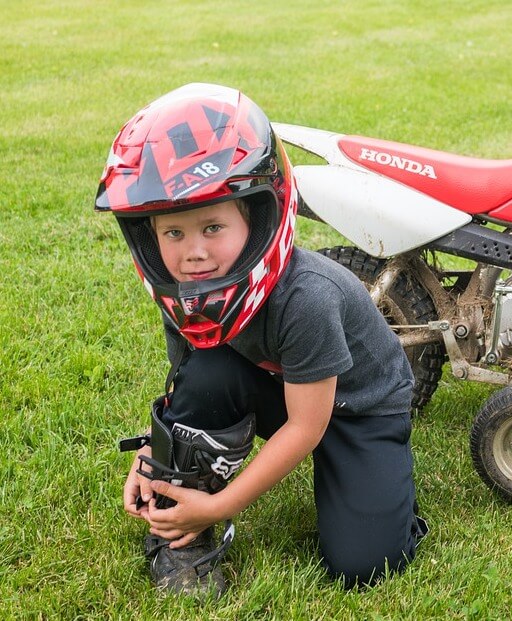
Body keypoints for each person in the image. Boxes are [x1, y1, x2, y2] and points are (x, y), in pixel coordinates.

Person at [95, 83, 426, 598]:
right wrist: (151, 454)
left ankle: (390, 498)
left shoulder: (307, 297)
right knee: (206, 371)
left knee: (366, 565)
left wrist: (224, 504)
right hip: (281, 388)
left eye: (212, 227)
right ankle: (185, 536)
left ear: (258, 216)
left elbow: (307, 427)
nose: (193, 253)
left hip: (358, 408)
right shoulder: (182, 293)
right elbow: (186, 391)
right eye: (174, 233)